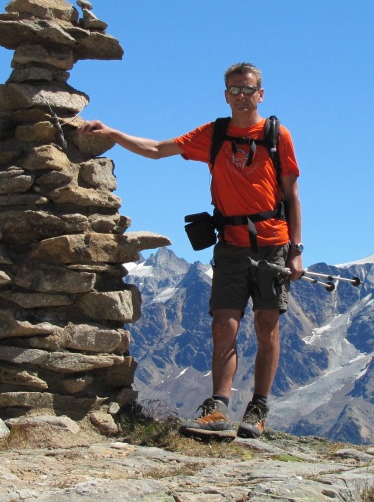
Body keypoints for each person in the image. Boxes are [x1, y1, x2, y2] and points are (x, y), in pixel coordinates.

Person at [78, 62, 303, 439]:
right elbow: (156, 149)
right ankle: (218, 407)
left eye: (248, 90)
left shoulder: (278, 136)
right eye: (235, 90)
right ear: (225, 95)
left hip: (273, 244)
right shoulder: (214, 134)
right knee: (223, 325)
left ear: (261, 94)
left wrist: (296, 250)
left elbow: (292, 195)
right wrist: (113, 133)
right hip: (231, 245)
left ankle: (258, 408)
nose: (242, 96)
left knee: (267, 325)